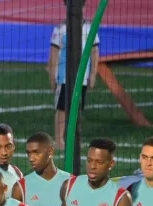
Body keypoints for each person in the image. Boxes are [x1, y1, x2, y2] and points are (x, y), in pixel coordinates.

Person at [48, 0, 100, 151]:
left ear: (84, 7)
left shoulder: (89, 29)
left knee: (77, 108)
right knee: (62, 108)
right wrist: (52, 75)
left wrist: (93, 74)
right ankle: (59, 140)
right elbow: (54, 53)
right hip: (63, 76)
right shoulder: (61, 29)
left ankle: (74, 138)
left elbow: (94, 52)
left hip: (82, 77)